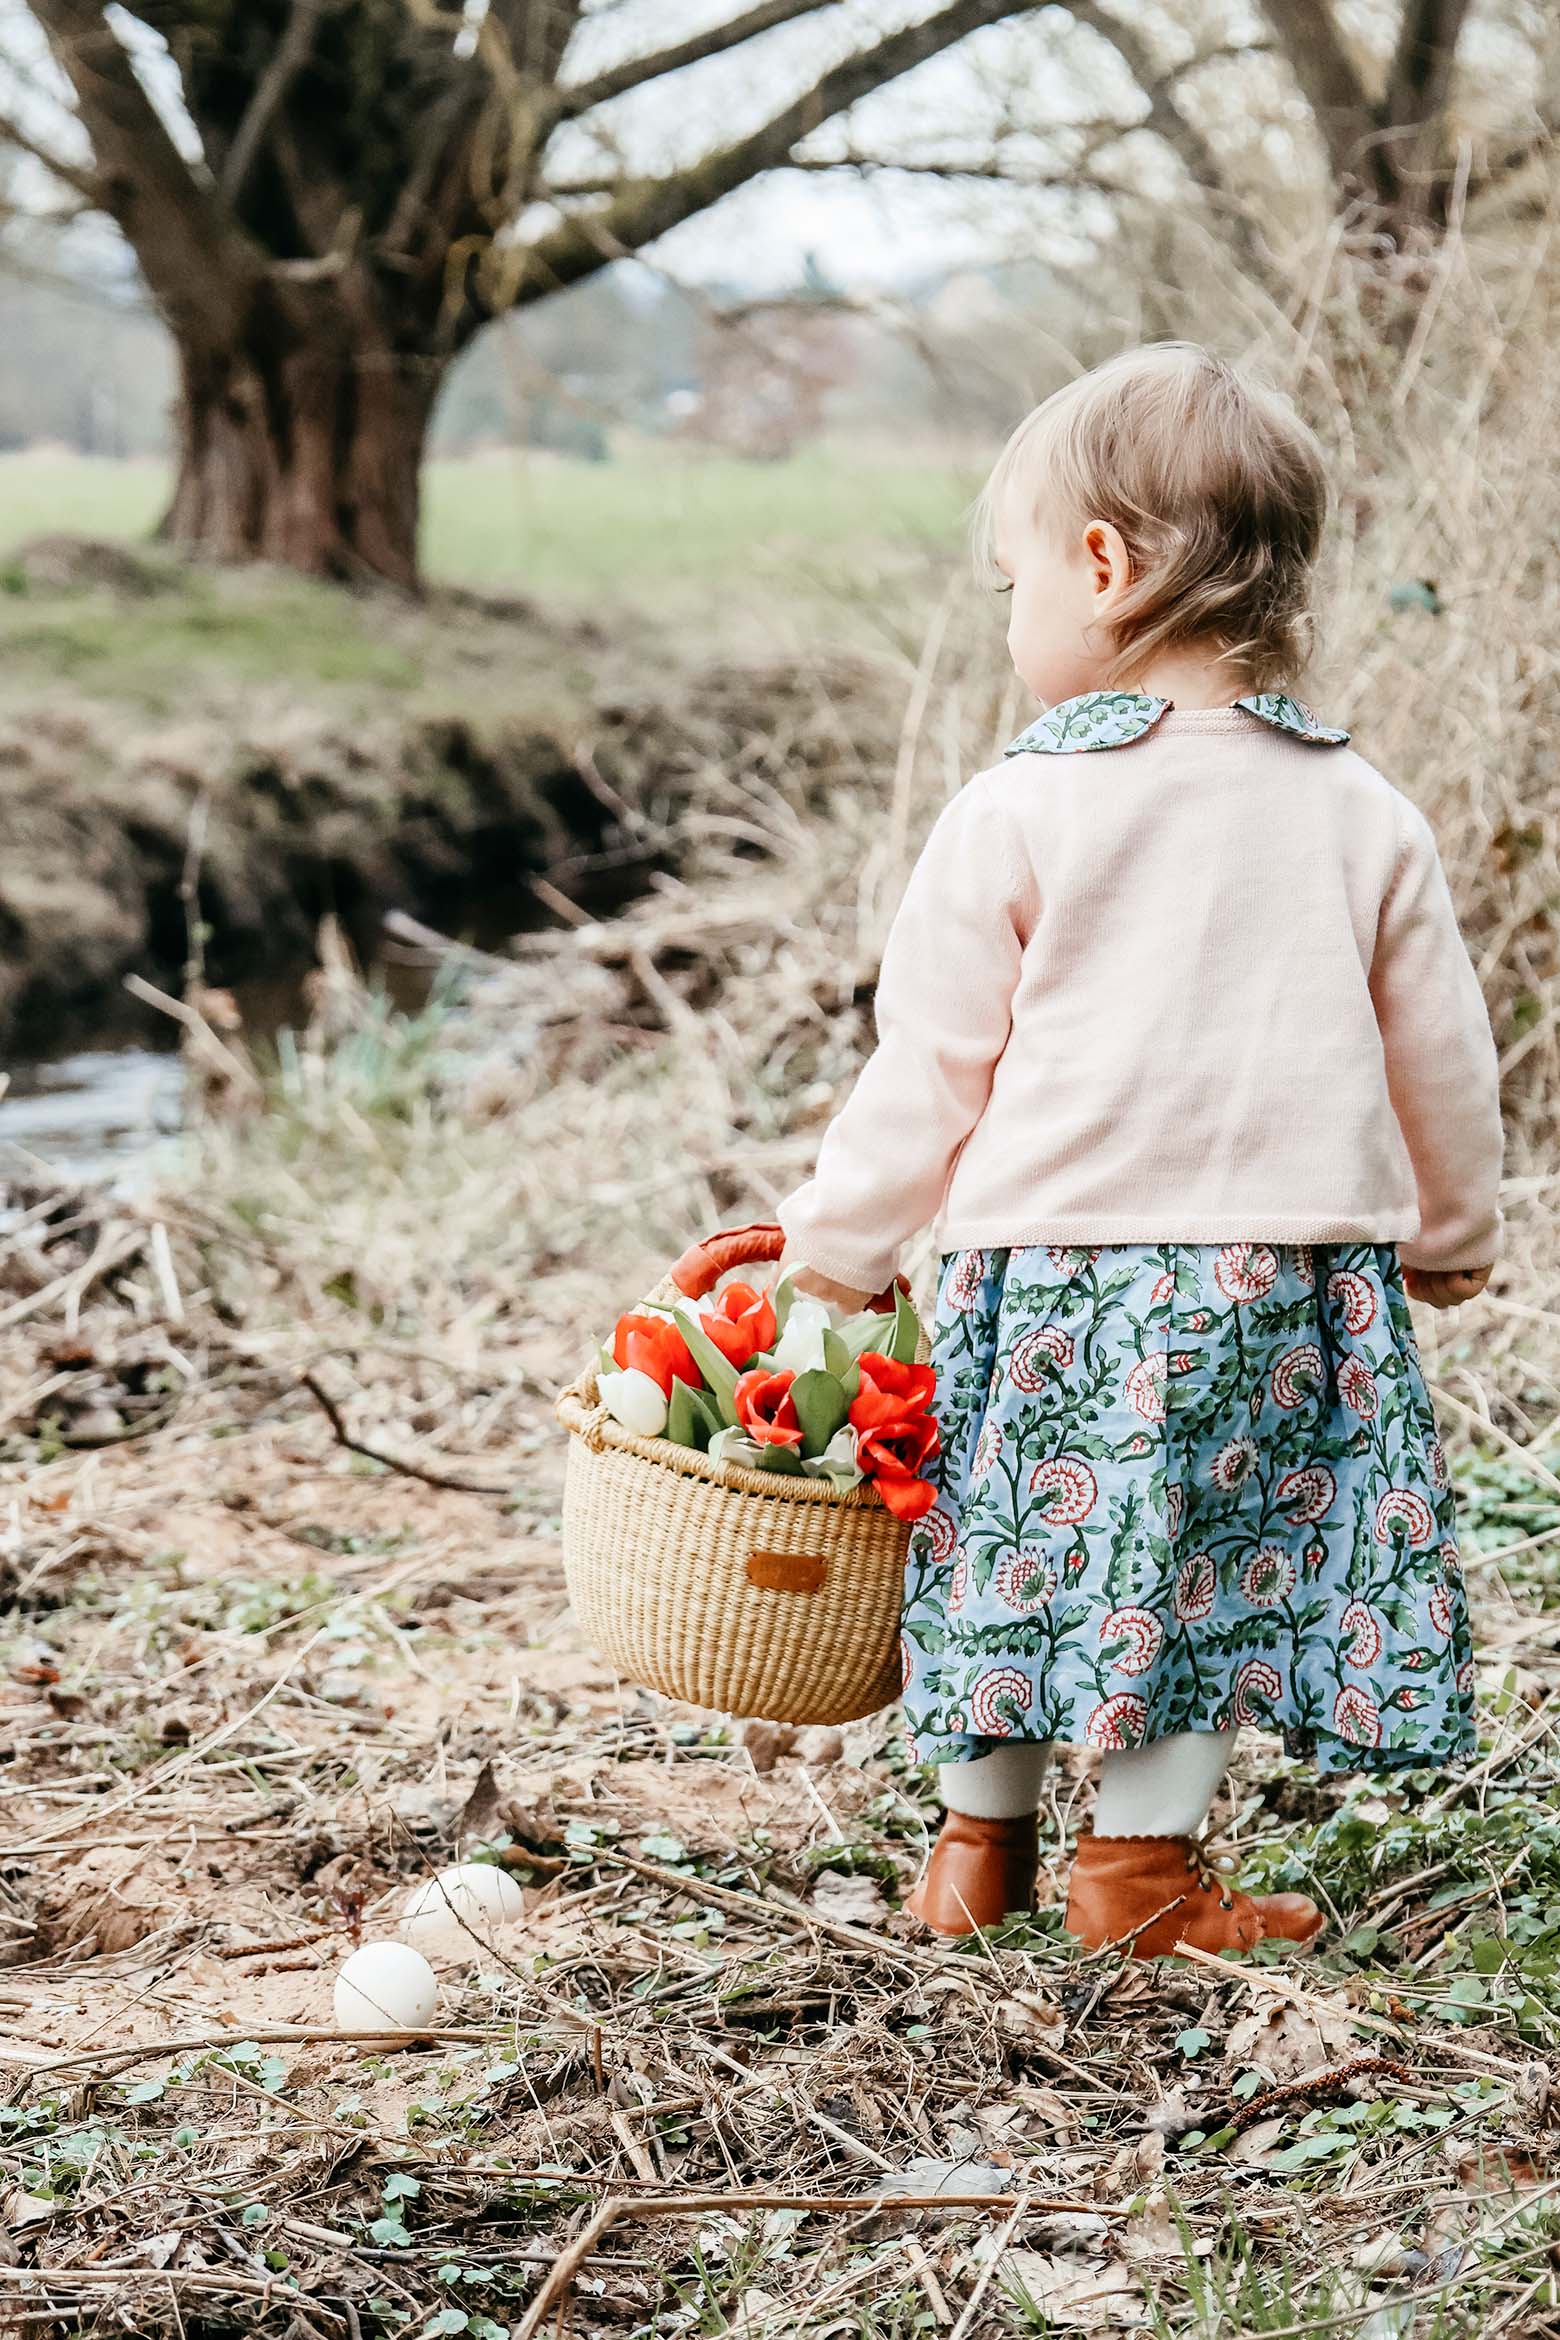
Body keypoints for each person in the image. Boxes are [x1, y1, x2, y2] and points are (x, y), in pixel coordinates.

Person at [774, 343, 1502, 1957]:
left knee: (1010, 1549)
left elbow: (931, 1066)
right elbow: (1442, 1054)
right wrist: (1451, 1227)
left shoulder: (1018, 808)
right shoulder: (1360, 810)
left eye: (1014, 582)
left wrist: (838, 1244)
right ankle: (1139, 1873)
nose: (1008, 617)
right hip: (1274, 1285)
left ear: (1102, 567)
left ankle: (975, 1853)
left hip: (1045, 1280)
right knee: (1205, 1572)